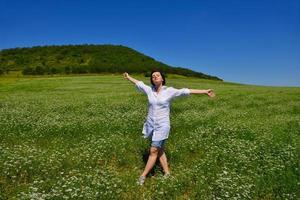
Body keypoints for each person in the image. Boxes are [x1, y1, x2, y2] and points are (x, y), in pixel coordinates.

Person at [123, 71, 215, 185]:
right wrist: (128, 77)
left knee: (153, 150)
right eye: (153, 76)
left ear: (162, 79)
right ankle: (167, 173)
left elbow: (186, 91)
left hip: (163, 125)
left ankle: (143, 176)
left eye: (157, 75)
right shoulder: (149, 90)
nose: (155, 76)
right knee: (160, 149)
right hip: (151, 125)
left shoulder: (169, 91)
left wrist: (204, 91)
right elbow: (139, 83)